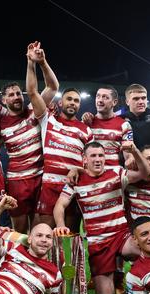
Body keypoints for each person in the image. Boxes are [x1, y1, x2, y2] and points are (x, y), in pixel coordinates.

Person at [54, 141, 146, 294]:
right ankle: (116, 276)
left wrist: (135, 151)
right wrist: (61, 226)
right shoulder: (76, 180)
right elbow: (59, 206)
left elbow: (143, 173)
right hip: (98, 243)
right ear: (85, 159)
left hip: (120, 236)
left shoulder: (117, 173)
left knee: (145, 250)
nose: (98, 159)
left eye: (101, 155)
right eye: (93, 156)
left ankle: (149, 283)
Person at [0, 42, 58, 232]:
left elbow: (53, 87)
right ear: (4, 100)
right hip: (17, 180)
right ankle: (17, 261)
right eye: (11, 95)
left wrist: (39, 62)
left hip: (40, 176)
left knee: (40, 230)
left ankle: (38, 262)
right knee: (20, 231)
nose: (17, 97)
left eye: (18, 93)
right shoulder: (0, 123)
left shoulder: (34, 110)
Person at [37, 88, 93, 230]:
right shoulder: (48, 120)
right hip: (49, 187)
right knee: (45, 233)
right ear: (60, 102)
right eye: (69, 99)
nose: (72, 103)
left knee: (69, 237)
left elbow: (91, 163)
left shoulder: (86, 130)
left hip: (73, 188)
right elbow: (33, 93)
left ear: (79, 105)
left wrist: (78, 170)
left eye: (76, 101)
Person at [81, 86, 133, 167]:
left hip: (113, 175)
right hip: (90, 175)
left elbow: (129, 157)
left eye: (105, 97)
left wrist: (130, 161)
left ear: (114, 102)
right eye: (98, 96)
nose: (100, 100)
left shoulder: (124, 125)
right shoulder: (87, 122)